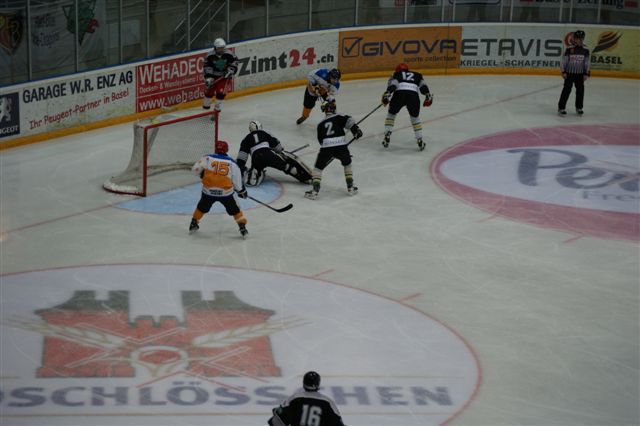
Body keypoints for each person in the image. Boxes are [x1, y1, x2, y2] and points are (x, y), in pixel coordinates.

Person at [189, 140, 249, 239]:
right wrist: (242, 191)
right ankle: (242, 227)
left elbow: (195, 170)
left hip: (208, 193)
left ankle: (193, 223)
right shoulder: (232, 163)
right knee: (235, 209)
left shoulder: (207, 158)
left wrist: (202, 174)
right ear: (227, 150)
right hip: (225, 194)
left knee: (201, 207)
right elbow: (238, 184)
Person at [304, 100, 362, 200]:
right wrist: (356, 130)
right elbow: (349, 120)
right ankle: (351, 187)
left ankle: (315, 191)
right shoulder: (339, 116)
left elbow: (321, 141)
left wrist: (330, 151)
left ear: (324, 110)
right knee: (347, 163)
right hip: (341, 146)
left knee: (318, 168)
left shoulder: (320, 124)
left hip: (326, 148)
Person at [237, 120, 313, 186]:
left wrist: (241, 168)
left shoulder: (245, 139)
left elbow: (242, 158)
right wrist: (279, 153)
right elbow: (278, 148)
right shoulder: (265, 133)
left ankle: (257, 174)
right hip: (268, 154)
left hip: (256, 158)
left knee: (254, 175)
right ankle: (306, 178)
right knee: (286, 166)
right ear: (260, 127)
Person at [380, 62, 433, 151]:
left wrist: (388, 93)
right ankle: (419, 139)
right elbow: (423, 86)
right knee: (415, 118)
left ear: (398, 70)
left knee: (391, 114)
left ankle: (387, 134)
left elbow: (393, 84)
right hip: (413, 96)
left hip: (399, 94)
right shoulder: (417, 75)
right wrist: (427, 94)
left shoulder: (396, 74)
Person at [268, 371, 346, 426]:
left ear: (304, 382)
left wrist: (277, 411)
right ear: (318, 383)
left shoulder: (295, 398)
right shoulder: (327, 402)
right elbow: (337, 423)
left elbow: (277, 422)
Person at [558, 30, 590, 116]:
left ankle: (579, 107)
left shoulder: (586, 49)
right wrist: (563, 71)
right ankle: (561, 107)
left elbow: (586, 62)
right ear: (574, 39)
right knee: (566, 90)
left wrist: (586, 73)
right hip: (569, 73)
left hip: (580, 74)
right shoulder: (569, 48)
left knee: (580, 91)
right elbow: (564, 60)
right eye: (578, 38)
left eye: (581, 38)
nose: (580, 40)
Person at [202, 38, 238, 112]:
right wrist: (209, 77)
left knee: (221, 93)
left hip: (224, 77)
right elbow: (207, 66)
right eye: (219, 48)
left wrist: (231, 70)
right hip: (213, 77)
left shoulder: (229, 54)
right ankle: (205, 108)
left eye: (222, 48)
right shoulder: (209, 56)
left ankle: (216, 110)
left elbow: (235, 62)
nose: (221, 49)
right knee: (209, 93)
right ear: (215, 48)